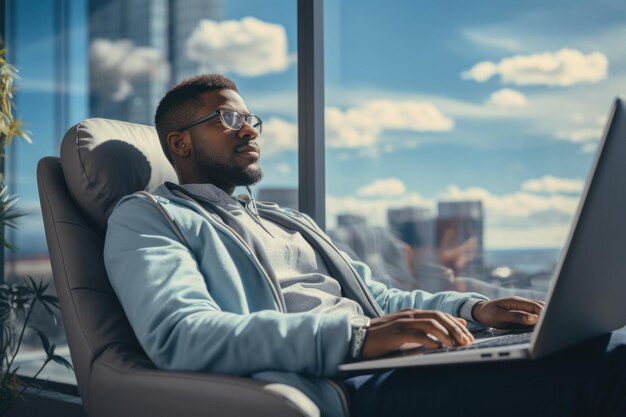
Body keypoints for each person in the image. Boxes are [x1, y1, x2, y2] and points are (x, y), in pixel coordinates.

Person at [104, 74, 626, 417]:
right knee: (608, 364)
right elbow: (182, 334)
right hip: (345, 384)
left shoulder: (290, 221)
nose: (251, 131)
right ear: (179, 142)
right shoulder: (148, 217)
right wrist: (356, 339)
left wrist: (476, 309)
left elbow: (381, 301)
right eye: (230, 119)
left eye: (252, 120)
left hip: (390, 361)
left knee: (603, 345)